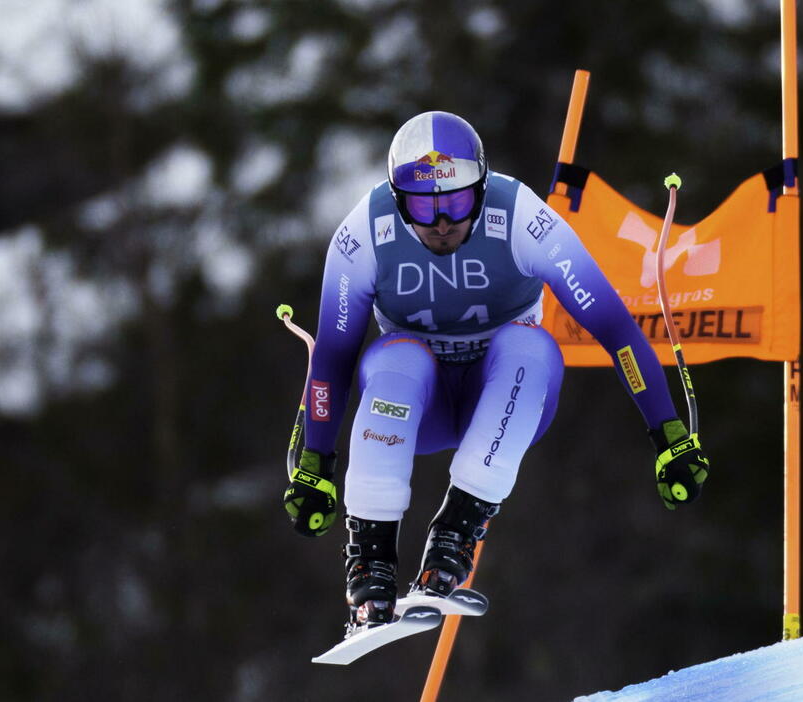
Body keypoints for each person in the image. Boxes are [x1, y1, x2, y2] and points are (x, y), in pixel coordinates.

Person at [282, 111, 710, 631]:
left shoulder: (521, 215)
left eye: (458, 202)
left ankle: (454, 538)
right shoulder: (364, 233)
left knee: (530, 346)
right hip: (421, 405)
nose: (442, 223)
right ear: (398, 199)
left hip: (506, 394)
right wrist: (315, 463)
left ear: (481, 187)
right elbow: (331, 359)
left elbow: (614, 326)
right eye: (423, 206)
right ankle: (369, 566)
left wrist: (667, 432)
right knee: (397, 357)